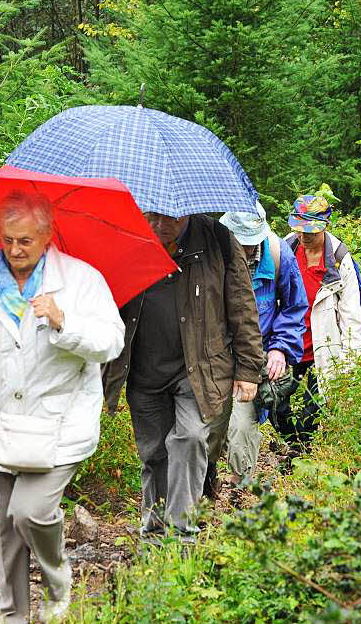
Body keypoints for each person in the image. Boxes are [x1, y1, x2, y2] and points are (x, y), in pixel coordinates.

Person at [0, 190, 125, 623]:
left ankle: (57, 579)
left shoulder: (82, 280)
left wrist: (63, 321)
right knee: (4, 527)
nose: (15, 251)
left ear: (47, 235)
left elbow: (111, 343)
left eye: (24, 241)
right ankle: (11, 613)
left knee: (30, 512)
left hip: (59, 422)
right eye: (7, 240)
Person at [102, 210, 264, 539]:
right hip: (144, 371)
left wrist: (249, 367)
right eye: (154, 218)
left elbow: (242, 305)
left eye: (171, 219)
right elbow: (104, 304)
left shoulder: (217, 239)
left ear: (187, 211)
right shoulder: (127, 239)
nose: (161, 226)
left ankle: (180, 534)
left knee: (189, 440)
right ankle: (154, 533)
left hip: (200, 367)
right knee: (154, 454)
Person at [212, 201, 307, 488]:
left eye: (250, 244)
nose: (246, 250)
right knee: (209, 427)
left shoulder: (279, 256)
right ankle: (205, 483)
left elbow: (294, 307)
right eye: (240, 243)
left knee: (242, 426)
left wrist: (280, 348)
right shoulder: (212, 255)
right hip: (214, 355)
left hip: (255, 356)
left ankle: (241, 488)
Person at [276, 194, 361, 454]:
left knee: (311, 411)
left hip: (322, 348)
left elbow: (351, 315)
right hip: (289, 345)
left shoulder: (339, 258)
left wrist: (349, 362)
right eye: (300, 230)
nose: (304, 237)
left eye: (311, 232)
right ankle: (291, 445)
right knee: (276, 404)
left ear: (325, 225)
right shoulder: (285, 249)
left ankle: (299, 456)